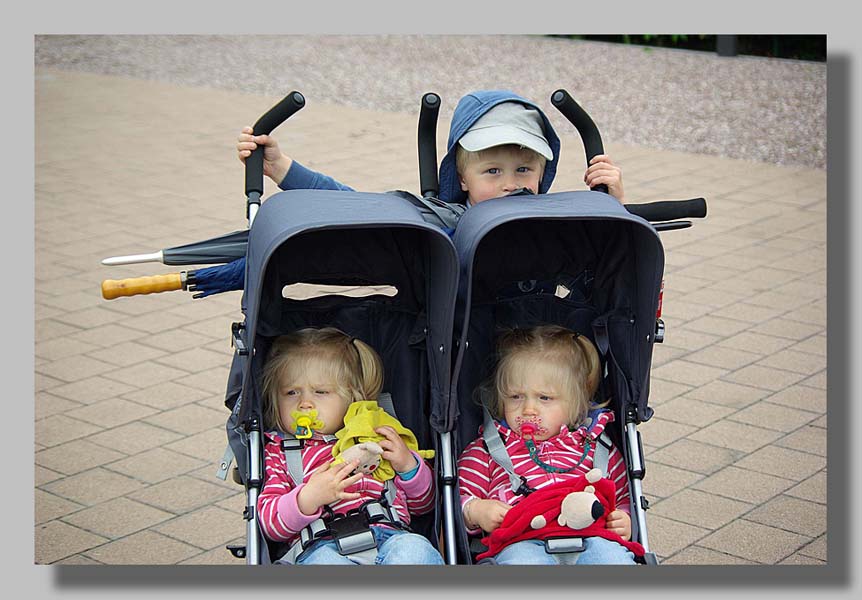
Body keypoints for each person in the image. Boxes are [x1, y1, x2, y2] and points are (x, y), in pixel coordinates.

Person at [236, 89, 626, 212]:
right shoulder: (443, 221)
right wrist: (281, 166)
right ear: (461, 177)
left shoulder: (559, 224)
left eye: (524, 170)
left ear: (544, 173)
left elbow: (607, 260)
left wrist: (614, 206)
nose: (510, 184)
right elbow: (356, 207)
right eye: (492, 171)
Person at [257, 327, 444, 565]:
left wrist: (408, 466)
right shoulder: (280, 452)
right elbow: (269, 524)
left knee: (416, 549)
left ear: (354, 398)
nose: (304, 403)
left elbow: (424, 506)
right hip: (320, 545)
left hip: (390, 534)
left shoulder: (378, 435)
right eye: (291, 392)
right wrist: (307, 498)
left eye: (321, 392)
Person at [456, 324, 638, 565]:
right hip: (520, 542)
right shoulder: (487, 451)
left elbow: (622, 497)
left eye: (545, 398)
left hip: (593, 537)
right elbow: (458, 498)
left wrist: (623, 518)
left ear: (576, 403)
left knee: (614, 560)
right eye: (516, 396)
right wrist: (475, 510)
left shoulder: (598, 448)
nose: (529, 409)